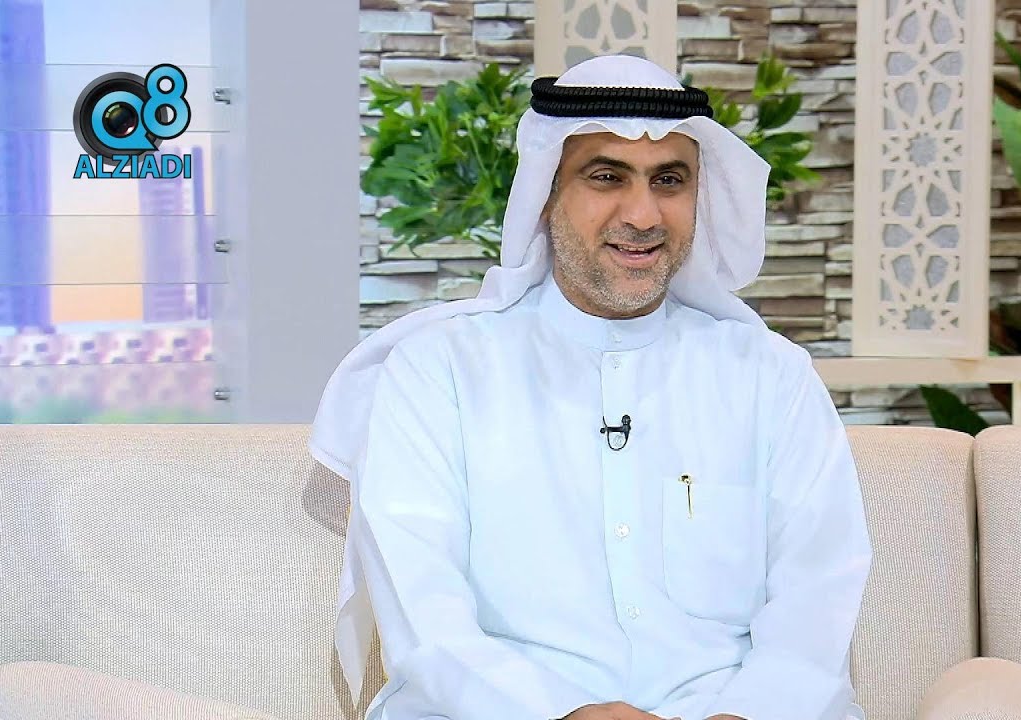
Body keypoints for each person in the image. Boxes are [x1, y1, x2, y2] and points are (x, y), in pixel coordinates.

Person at [309, 54, 872, 720]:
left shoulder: (770, 376)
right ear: (547, 193)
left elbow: (817, 599)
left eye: (669, 180)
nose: (644, 214)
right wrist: (566, 714)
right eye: (607, 177)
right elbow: (425, 615)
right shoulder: (441, 370)